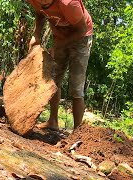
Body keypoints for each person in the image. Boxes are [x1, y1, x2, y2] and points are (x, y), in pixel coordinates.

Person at [27, 0, 93, 130]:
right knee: (53, 80)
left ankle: (78, 132)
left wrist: (58, 46)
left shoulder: (68, 3)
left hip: (82, 37)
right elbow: (40, 13)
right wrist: (36, 34)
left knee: (76, 87)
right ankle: (53, 121)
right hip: (60, 35)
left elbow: (82, 29)